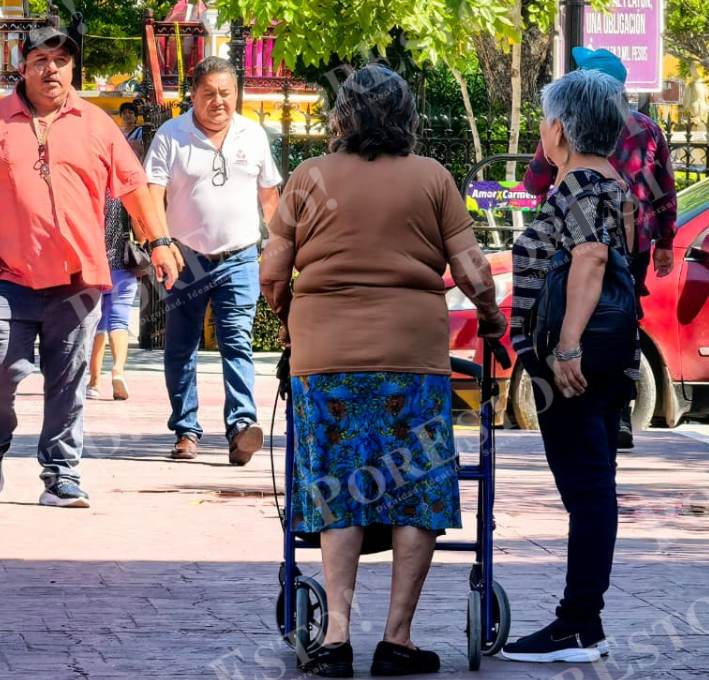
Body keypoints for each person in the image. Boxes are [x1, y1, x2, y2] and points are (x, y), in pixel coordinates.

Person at [261, 65, 506, 678]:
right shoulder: (433, 178)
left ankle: (337, 637)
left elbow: (271, 274)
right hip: (412, 361)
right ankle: (397, 640)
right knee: (416, 491)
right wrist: (491, 320)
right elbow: (473, 268)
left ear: (341, 116)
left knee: (338, 488)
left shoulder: (309, 178)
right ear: (406, 118)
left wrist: (291, 315)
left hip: (326, 362)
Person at [0, 27, 183, 508]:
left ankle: (61, 473)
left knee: (69, 380)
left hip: (78, 281)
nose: (51, 69)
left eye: (61, 60)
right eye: (41, 59)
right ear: (23, 67)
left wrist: (158, 240)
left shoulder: (96, 124)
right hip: (3, 276)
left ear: (73, 69)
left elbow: (134, 187)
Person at [502, 69, 638, 663]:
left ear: (560, 127)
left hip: (577, 365)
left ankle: (577, 625)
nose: (540, 130)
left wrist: (565, 347)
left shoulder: (580, 182)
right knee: (594, 488)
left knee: (587, 492)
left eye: (544, 119)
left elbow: (589, 258)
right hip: (610, 358)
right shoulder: (612, 181)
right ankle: (584, 621)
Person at [522, 47, 677, 450]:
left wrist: (567, 345)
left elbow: (534, 183)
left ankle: (590, 394)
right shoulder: (647, 129)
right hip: (634, 237)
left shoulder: (565, 132)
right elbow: (663, 189)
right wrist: (665, 240)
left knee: (578, 303)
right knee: (622, 310)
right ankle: (619, 406)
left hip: (579, 238)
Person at [144, 57, 281, 466]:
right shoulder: (172, 134)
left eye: (226, 93)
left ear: (237, 94)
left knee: (237, 342)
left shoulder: (253, 134)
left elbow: (269, 196)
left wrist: (278, 246)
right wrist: (160, 242)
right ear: (193, 95)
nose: (218, 101)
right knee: (181, 346)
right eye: (209, 93)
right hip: (185, 258)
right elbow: (152, 192)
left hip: (239, 257)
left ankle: (241, 428)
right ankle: (186, 429)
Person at [87, 193, 142, 401]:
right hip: (123, 270)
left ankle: (94, 383)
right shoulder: (125, 193)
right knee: (119, 322)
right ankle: (118, 370)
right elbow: (142, 234)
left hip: (94, 269)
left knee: (96, 325)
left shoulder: (89, 189)